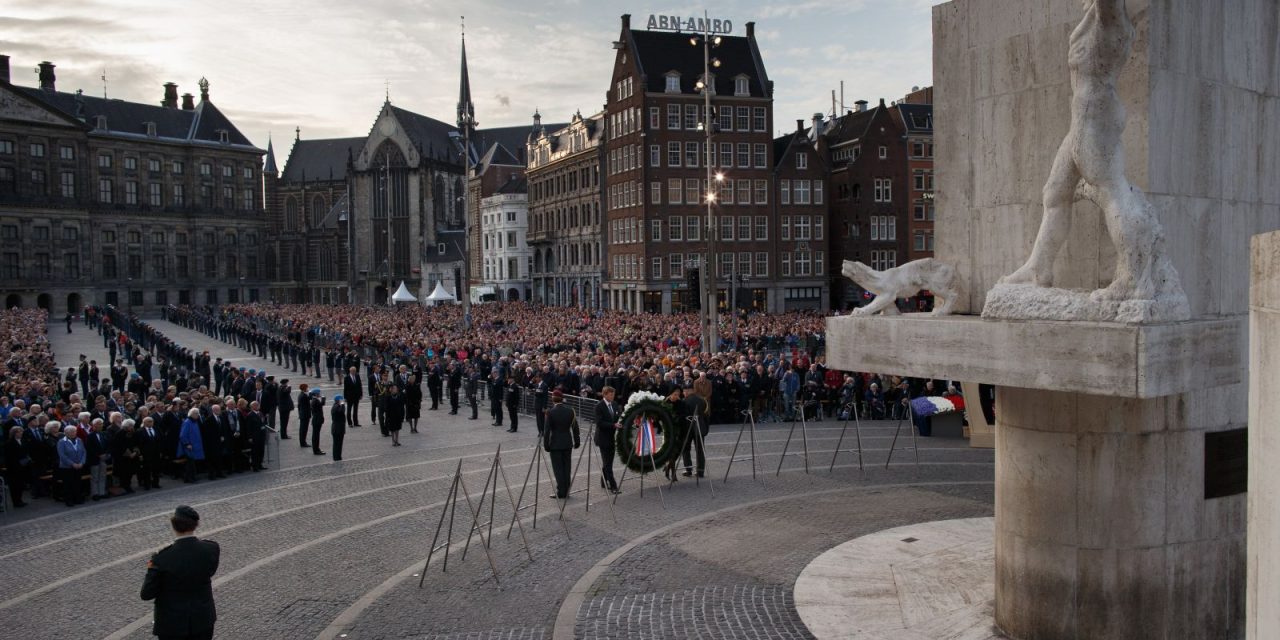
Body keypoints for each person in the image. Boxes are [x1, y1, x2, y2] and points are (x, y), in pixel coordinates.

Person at [141, 505, 220, 640]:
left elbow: (147, 594)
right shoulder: (211, 549)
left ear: (173, 525)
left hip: (172, 625)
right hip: (202, 619)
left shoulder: (161, 558)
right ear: (196, 524)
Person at [543, 390, 580, 499]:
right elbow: (575, 428)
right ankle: (567, 491)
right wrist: (577, 441)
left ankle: (561, 492)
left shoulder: (550, 412)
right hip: (567, 443)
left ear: (553, 399)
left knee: (558, 469)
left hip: (555, 444)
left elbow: (547, 431)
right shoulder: (571, 411)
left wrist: (546, 445)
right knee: (567, 468)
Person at [593, 386, 621, 494]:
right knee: (607, 462)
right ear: (604, 395)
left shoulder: (614, 404)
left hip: (612, 438)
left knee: (608, 461)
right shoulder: (599, 406)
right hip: (603, 438)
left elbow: (618, 417)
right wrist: (613, 425)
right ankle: (613, 486)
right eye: (610, 394)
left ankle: (603, 481)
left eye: (613, 394)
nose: (612, 396)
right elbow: (599, 423)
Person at [681, 384, 709, 478]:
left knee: (686, 449)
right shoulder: (702, 400)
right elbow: (706, 415)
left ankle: (688, 470)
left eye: (684, 391)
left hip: (687, 429)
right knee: (700, 450)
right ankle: (700, 471)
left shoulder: (684, 401)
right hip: (699, 428)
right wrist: (705, 428)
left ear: (689, 391)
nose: (683, 393)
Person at [56, 423, 86, 505]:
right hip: (67, 467)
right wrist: (72, 464)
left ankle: (78, 498)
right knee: (68, 484)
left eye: (74, 431)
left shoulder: (79, 440)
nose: (73, 433)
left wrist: (81, 462)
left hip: (79, 465)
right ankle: (69, 500)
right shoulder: (61, 442)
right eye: (71, 432)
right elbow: (62, 455)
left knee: (77, 483)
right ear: (66, 433)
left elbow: (84, 452)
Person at [5, 425, 32, 507]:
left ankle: (20, 500)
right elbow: (9, 456)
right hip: (14, 467)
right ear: (14, 433)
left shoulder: (23, 441)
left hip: (23, 466)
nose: (21, 433)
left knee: (21, 485)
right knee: (15, 485)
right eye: (19, 432)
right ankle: (16, 501)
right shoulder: (9, 443)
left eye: (21, 432)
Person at [178, 409, 205, 484]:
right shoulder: (187, 422)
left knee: (192, 463)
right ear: (191, 414)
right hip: (190, 446)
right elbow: (183, 435)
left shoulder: (194, 421)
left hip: (195, 445)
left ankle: (191, 477)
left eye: (198, 413)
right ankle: (189, 478)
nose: (197, 415)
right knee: (190, 463)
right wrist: (187, 444)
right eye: (196, 413)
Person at [309, 389, 326, 456]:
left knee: (316, 435)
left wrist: (323, 399)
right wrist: (323, 398)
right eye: (319, 393)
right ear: (316, 394)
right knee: (316, 436)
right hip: (317, 420)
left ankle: (317, 449)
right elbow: (321, 405)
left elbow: (321, 404)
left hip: (316, 419)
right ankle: (316, 450)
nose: (320, 394)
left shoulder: (315, 400)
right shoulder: (315, 401)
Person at [330, 395, 347, 461]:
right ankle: (337, 457)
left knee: (337, 444)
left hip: (337, 428)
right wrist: (342, 405)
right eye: (341, 400)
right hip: (338, 428)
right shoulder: (337, 407)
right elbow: (341, 411)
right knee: (338, 444)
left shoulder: (335, 405)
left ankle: (337, 456)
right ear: (339, 400)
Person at [296, 383, 311, 448]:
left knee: (303, 429)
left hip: (303, 414)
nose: (308, 389)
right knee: (303, 429)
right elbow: (308, 400)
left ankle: (303, 442)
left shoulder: (301, 395)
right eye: (307, 387)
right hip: (305, 414)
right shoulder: (304, 396)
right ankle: (303, 442)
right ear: (305, 388)